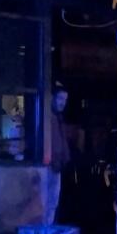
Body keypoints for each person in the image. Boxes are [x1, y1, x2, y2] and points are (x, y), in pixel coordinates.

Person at [45, 83, 71, 225]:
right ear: (53, 98)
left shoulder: (58, 118)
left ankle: (47, 230)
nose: (63, 103)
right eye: (60, 98)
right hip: (49, 166)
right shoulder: (49, 118)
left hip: (56, 166)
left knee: (52, 203)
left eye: (65, 100)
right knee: (48, 203)